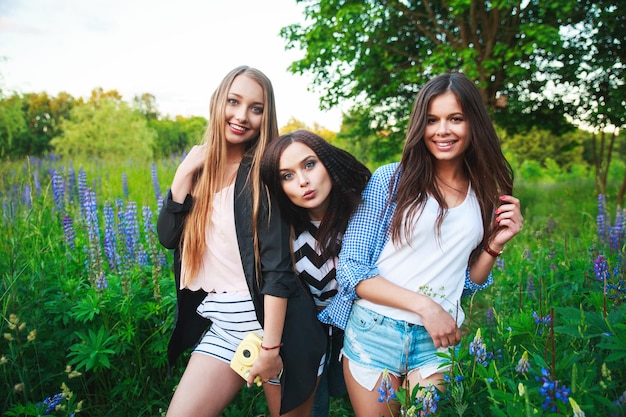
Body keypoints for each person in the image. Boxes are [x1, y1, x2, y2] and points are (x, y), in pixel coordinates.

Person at [319, 72, 524, 417]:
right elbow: (352, 271)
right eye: (432, 120)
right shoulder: (392, 180)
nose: (442, 130)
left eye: (455, 119)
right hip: (375, 331)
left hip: (437, 341)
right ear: (420, 126)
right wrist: (427, 308)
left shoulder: (488, 189)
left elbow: (468, 283)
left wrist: (494, 246)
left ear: (473, 123)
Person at [157, 66, 326, 417]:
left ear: (266, 116)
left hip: (279, 333)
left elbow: (279, 270)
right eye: (234, 102)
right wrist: (184, 171)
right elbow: (168, 237)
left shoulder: (263, 174)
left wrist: (270, 349)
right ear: (218, 102)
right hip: (224, 327)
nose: (241, 116)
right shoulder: (201, 170)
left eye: (256, 108)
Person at [260, 130, 371, 417]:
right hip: (307, 334)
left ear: (327, 163)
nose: (303, 182)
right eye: (287, 176)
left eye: (309, 165)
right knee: (314, 406)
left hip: (360, 327)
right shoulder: (282, 228)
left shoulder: (363, 216)